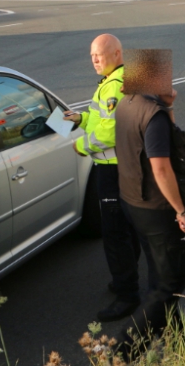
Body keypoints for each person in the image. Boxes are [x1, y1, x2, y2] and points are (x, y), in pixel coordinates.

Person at [64, 34, 142, 322]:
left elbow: (109, 133)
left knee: (114, 233)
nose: (94, 60)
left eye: (99, 54)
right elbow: (103, 120)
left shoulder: (114, 85)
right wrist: (81, 119)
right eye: (91, 55)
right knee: (128, 227)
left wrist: (80, 145)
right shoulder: (123, 78)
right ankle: (127, 276)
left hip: (112, 167)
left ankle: (127, 294)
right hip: (126, 166)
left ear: (117, 53)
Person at [113, 84, 185, 358]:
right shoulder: (153, 114)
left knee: (160, 282)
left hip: (132, 201)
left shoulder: (126, 104)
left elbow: (166, 138)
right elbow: (160, 166)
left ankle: (180, 349)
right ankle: (120, 353)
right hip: (157, 209)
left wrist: (168, 105)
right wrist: (180, 211)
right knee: (171, 284)